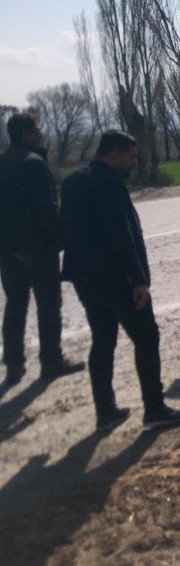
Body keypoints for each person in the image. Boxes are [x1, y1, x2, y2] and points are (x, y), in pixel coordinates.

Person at [60, 130, 180, 431]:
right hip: (118, 279)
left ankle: (105, 410)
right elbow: (122, 236)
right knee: (146, 338)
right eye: (131, 157)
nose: (134, 163)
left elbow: (66, 230)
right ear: (113, 153)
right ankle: (155, 409)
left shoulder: (72, 181)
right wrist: (138, 281)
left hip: (85, 280)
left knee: (102, 340)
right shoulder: (110, 184)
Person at [0, 113, 83, 385]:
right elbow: (46, 209)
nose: (41, 131)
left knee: (15, 304)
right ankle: (51, 360)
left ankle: (13, 363)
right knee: (48, 303)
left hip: (7, 248)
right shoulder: (34, 163)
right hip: (36, 247)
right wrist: (60, 240)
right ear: (26, 133)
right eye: (36, 127)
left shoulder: (3, 162)